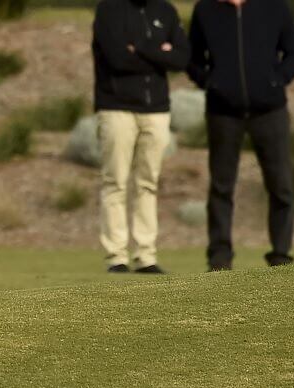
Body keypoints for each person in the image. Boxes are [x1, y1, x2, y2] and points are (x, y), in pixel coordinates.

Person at [188, 0, 294, 271]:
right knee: (221, 186)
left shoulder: (274, 7)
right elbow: (192, 59)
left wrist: (276, 82)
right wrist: (210, 83)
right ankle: (219, 257)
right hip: (222, 112)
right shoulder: (205, 9)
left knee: (281, 185)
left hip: (270, 110)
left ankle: (280, 253)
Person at [92, 0, 187, 274]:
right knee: (115, 182)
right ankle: (116, 256)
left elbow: (181, 57)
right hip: (116, 108)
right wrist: (159, 52)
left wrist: (142, 49)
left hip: (156, 110)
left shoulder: (165, 11)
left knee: (148, 183)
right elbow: (117, 58)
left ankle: (146, 256)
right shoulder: (109, 10)